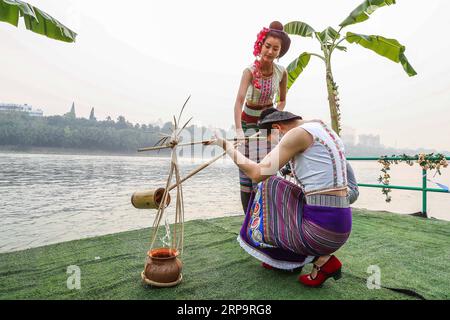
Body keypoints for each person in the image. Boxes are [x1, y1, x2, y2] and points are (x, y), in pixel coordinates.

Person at [207, 108, 355, 287]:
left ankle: (316, 259)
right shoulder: (321, 127)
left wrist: (226, 146)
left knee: (268, 185)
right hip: (342, 224)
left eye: (273, 140)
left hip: (321, 233)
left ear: (278, 128)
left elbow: (256, 173)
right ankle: (294, 260)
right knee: (280, 186)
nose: (275, 145)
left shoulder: (296, 135)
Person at [233, 21, 291, 214]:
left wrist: (275, 117)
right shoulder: (249, 71)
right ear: (261, 45)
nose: (270, 51)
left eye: (276, 48)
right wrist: (240, 131)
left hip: (268, 122)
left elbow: (282, 101)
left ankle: (265, 220)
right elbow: (239, 101)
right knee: (246, 173)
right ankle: (247, 220)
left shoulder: (282, 72)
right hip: (247, 122)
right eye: (267, 46)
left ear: (280, 51)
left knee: (266, 170)